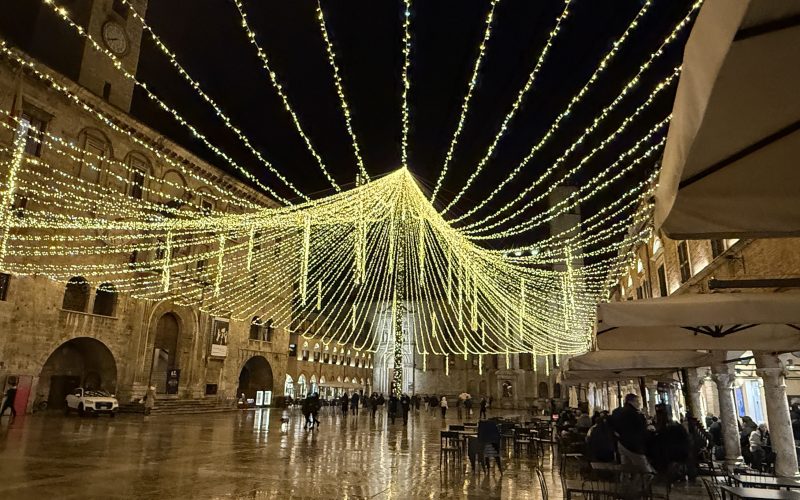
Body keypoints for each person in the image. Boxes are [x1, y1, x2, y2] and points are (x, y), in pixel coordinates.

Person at [609, 393, 653, 473]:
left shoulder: (617, 412)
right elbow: (642, 430)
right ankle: (645, 483)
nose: (639, 403)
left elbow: (613, 427)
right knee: (646, 470)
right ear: (631, 402)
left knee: (626, 469)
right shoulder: (636, 414)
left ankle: (626, 484)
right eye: (637, 401)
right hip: (634, 445)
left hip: (622, 443)